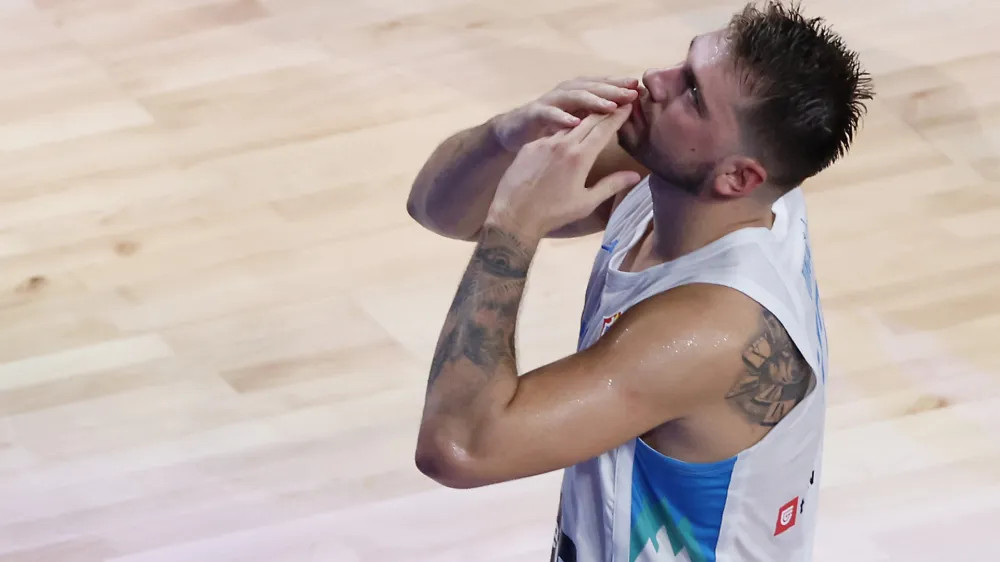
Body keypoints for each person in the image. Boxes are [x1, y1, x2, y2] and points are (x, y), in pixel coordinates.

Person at [406, 1, 874, 560]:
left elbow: (458, 448)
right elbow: (438, 210)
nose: (656, 80)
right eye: (684, 64)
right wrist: (506, 135)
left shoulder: (707, 333)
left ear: (737, 176)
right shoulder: (706, 185)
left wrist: (516, 226)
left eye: (693, 94)